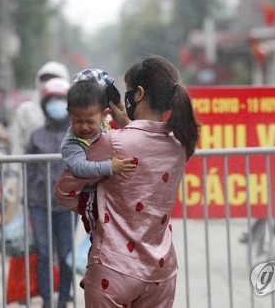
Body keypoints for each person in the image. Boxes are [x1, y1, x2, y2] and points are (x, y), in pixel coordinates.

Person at [54, 55, 200, 307]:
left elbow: (64, 192)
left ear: (139, 93)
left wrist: (93, 202)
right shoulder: (180, 144)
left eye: (128, 91)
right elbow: (147, 139)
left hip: (113, 267)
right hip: (161, 271)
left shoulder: (114, 142)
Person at [62, 68, 136, 236]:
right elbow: (79, 168)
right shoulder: (72, 143)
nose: (84, 127)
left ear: (104, 114)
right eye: (77, 121)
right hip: (91, 199)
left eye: (90, 121)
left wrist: (125, 121)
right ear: (69, 116)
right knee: (102, 239)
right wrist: (110, 167)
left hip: (109, 197)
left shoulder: (105, 125)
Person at [26, 77, 75, 308]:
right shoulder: (36, 136)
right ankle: (47, 299)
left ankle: (64, 298)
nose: (56, 103)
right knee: (44, 251)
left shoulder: (77, 133)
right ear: (45, 104)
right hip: (39, 202)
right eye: (52, 99)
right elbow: (28, 171)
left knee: (66, 253)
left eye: (61, 99)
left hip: (68, 204)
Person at [11, 61, 70, 156]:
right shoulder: (25, 110)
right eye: (45, 79)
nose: (49, 83)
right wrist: (15, 169)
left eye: (54, 79)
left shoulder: (74, 111)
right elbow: (18, 143)